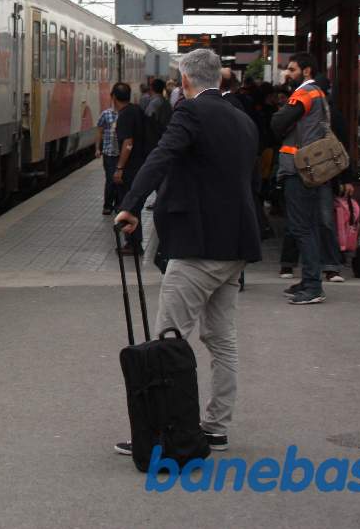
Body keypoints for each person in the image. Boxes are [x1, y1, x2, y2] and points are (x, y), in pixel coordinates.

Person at [112, 47, 261, 457]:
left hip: (198, 248)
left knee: (168, 342)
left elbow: (162, 156)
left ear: (187, 81)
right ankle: (216, 427)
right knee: (221, 339)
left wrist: (130, 203)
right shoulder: (242, 119)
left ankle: (163, 432)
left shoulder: (191, 113)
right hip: (235, 247)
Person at [269, 53, 330, 305]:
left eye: (292, 69)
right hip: (309, 167)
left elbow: (277, 122)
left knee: (302, 227)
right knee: (308, 226)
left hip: (299, 168)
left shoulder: (305, 93)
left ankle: (313, 285)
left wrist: (280, 116)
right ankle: (309, 280)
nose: (287, 74)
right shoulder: (319, 94)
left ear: (306, 71)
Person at [112, 83, 150, 255]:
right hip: (140, 164)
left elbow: (128, 143)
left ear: (113, 97)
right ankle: (134, 243)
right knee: (133, 204)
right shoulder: (136, 110)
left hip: (130, 168)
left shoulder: (125, 115)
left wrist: (119, 168)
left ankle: (133, 244)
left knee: (129, 205)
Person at [96, 96, 122, 217]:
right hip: (109, 152)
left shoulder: (125, 114)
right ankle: (107, 205)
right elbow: (99, 131)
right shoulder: (106, 114)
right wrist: (97, 148)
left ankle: (118, 204)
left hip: (122, 153)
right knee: (110, 179)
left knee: (120, 180)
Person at [144, 78, 171, 142]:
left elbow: (149, 121)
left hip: (156, 138)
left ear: (152, 88)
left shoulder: (154, 103)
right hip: (165, 135)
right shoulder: (167, 102)